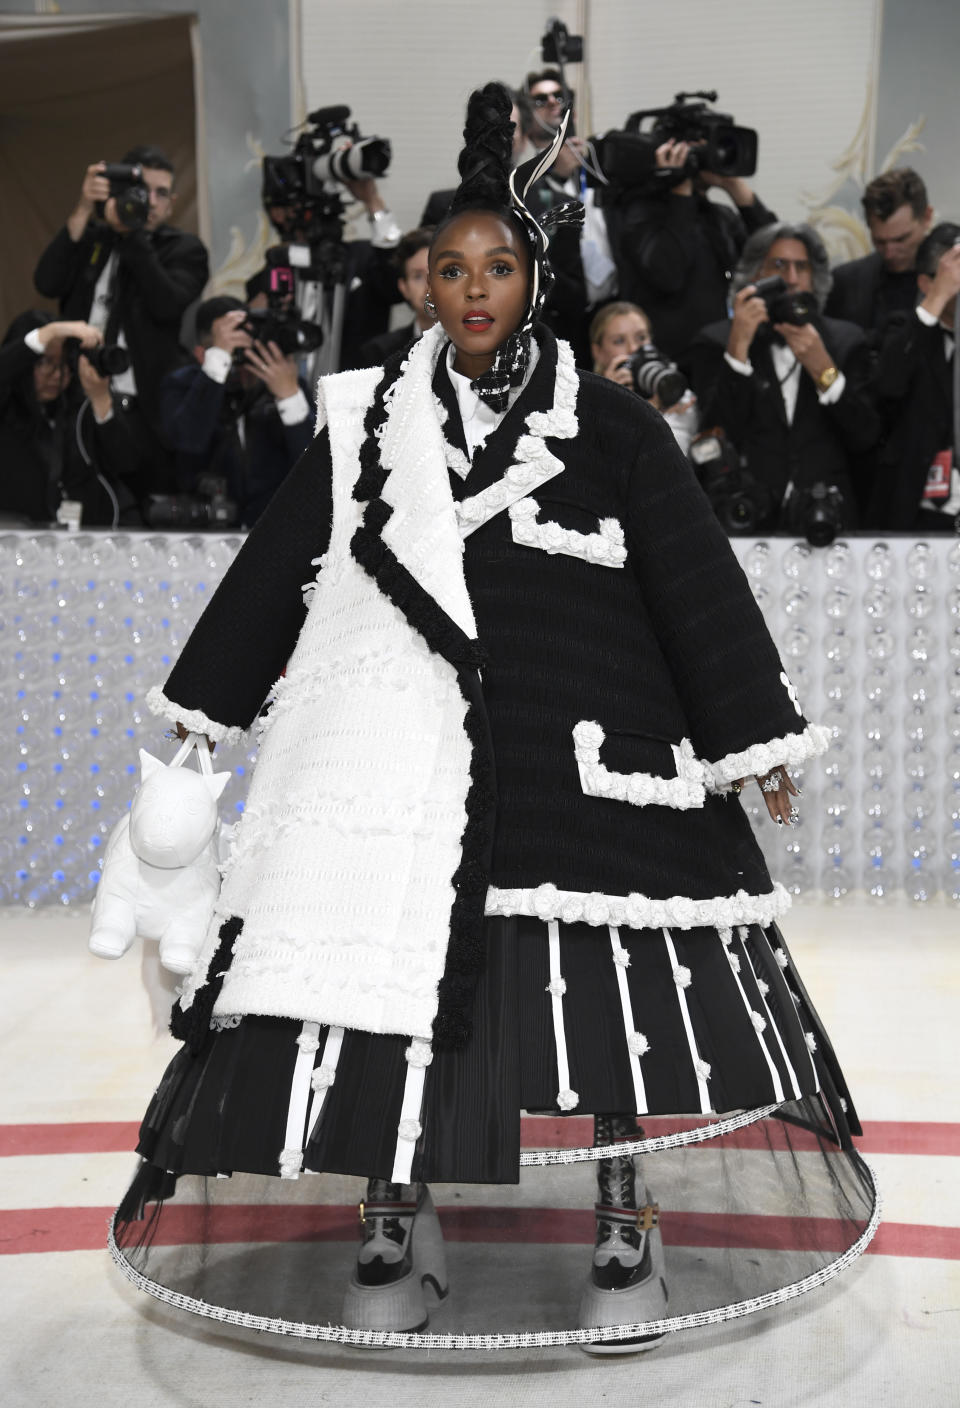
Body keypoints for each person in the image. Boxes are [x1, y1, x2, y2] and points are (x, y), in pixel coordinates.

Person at [109, 85, 876, 1353]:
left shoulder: (614, 423)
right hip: (399, 758)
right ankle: (392, 1208)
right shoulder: (362, 423)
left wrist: (752, 739)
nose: (474, 290)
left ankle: (625, 1215)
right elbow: (271, 578)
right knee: (381, 978)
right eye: (449, 269)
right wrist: (202, 724)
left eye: (500, 266)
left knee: (607, 998)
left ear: (536, 278)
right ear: (420, 284)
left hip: (585, 752)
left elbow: (697, 587)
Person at [33, 146, 209, 492]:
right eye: (143, 191)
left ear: (172, 203)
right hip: (75, 403)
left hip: (142, 414)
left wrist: (133, 234)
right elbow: (46, 282)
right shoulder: (93, 238)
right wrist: (85, 208)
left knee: (140, 517)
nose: (152, 202)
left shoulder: (184, 249)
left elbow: (167, 305)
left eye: (162, 194)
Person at [688, 222, 880, 533]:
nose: (791, 279)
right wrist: (738, 349)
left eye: (801, 267)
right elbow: (713, 439)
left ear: (813, 277)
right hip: (747, 515)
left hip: (829, 517)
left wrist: (824, 369)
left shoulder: (847, 341)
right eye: (779, 266)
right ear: (755, 275)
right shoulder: (716, 341)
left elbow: (866, 437)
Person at [603, 134, 777, 364]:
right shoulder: (638, 214)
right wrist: (679, 186)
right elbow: (668, 274)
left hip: (720, 353)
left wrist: (734, 186)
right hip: (671, 360)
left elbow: (774, 255)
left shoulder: (719, 216)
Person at [159, 296, 315, 528]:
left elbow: (314, 473)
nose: (243, 360)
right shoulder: (183, 385)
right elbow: (187, 443)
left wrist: (289, 396)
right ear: (202, 354)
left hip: (272, 531)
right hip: (204, 530)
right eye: (232, 348)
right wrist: (217, 367)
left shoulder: (285, 384)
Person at [0, 311, 140, 526]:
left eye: (64, 364)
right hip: (20, 539)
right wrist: (51, 333)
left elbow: (125, 462)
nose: (57, 375)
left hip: (87, 538)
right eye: (45, 363)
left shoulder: (79, 405)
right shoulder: (7, 404)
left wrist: (101, 399)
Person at [866, 223, 960, 531]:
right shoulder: (904, 330)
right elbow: (888, 385)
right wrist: (937, 298)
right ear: (925, 282)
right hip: (916, 509)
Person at [825, 168, 934, 340]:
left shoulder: (951, 281)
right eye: (880, 241)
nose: (890, 253)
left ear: (927, 217)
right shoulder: (846, 283)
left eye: (901, 239)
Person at [590, 301, 698, 454]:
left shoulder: (669, 385)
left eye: (641, 337)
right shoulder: (583, 404)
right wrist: (613, 402)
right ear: (598, 352)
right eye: (619, 341)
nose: (633, 348)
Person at [356, 227, 437, 367]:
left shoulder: (480, 349)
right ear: (404, 288)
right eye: (418, 276)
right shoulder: (379, 353)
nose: (428, 286)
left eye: (438, 272)